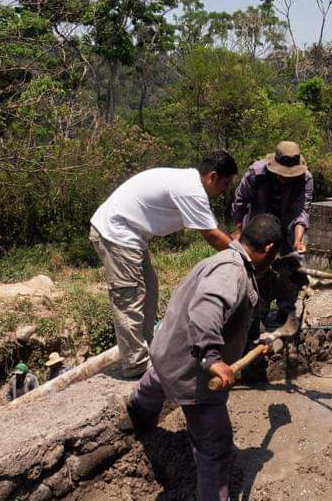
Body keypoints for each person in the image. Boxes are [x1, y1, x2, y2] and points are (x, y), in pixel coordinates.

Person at [121, 214, 284, 501]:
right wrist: (211, 358)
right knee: (215, 449)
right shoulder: (231, 272)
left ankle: (135, 419)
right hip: (195, 373)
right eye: (275, 255)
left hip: (167, 356)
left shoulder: (223, 261)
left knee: (152, 387)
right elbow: (207, 308)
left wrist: (257, 339)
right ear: (269, 248)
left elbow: (235, 315)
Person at [90, 151, 238, 379]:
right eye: (225, 183)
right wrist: (243, 257)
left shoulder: (188, 183)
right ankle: (136, 366)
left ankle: (150, 353)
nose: (225, 190)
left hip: (131, 236)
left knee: (148, 291)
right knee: (129, 298)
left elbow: (215, 230)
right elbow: (212, 235)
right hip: (116, 233)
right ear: (213, 176)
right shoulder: (191, 190)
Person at [232, 141, 312, 332]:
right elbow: (240, 201)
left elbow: (302, 210)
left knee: (291, 266)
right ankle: (258, 313)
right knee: (256, 268)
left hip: (288, 227)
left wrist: (298, 239)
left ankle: (286, 311)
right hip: (258, 226)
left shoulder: (305, 179)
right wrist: (237, 230)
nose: (285, 178)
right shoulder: (256, 173)